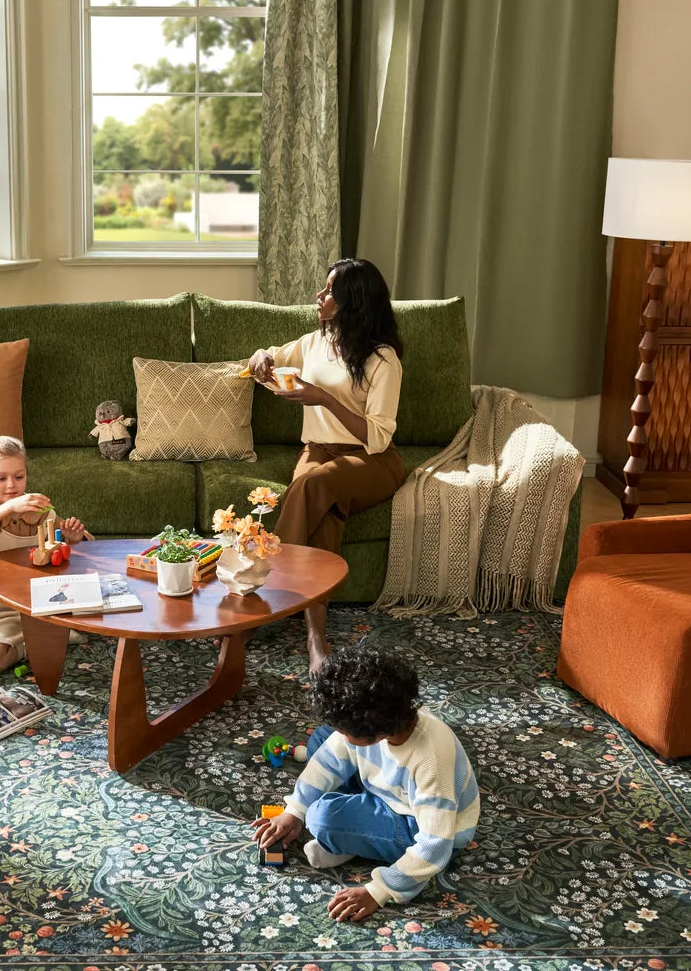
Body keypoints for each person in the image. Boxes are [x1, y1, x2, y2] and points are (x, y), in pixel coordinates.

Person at [247, 258, 405, 671]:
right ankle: (316, 638)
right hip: (317, 451)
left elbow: (379, 435)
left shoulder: (383, 359)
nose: (319, 296)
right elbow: (270, 364)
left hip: (370, 460)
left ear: (352, 301)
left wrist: (325, 399)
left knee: (312, 487)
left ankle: (261, 592)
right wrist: (261, 356)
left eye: (329, 290)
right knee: (325, 513)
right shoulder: (314, 342)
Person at [251, 645, 480, 922]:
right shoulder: (389, 720)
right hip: (391, 791)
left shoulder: (430, 760)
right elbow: (328, 760)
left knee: (322, 819)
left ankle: (350, 844)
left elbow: (434, 847)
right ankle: (355, 838)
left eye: (347, 731)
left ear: (374, 730)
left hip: (418, 824)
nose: (342, 734)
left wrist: (378, 890)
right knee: (321, 740)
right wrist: (293, 811)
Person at [0, 436, 89, 674]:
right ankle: (41, 636)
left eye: (19, 476)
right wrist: (9, 508)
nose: (11, 485)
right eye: (1, 478)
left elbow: (59, 553)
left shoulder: (40, 512)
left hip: (18, 609)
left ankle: (38, 640)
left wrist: (73, 539)